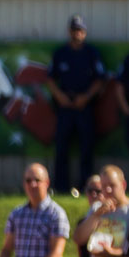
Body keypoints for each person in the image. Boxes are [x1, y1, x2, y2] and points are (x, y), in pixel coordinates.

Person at [46, 14, 105, 193]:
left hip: (84, 106)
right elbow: (49, 79)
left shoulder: (91, 53)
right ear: (69, 32)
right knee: (61, 147)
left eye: (79, 30)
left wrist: (86, 97)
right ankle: (61, 187)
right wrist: (60, 97)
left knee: (86, 147)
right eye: (73, 30)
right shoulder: (61, 53)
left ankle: (86, 187)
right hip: (65, 106)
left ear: (84, 33)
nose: (76, 34)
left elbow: (100, 80)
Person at [73, 165, 129, 257]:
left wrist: (112, 253)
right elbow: (78, 239)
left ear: (123, 185)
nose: (108, 190)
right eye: (103, 186)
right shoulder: (97, 208)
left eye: (112, 185)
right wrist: (96, 215)